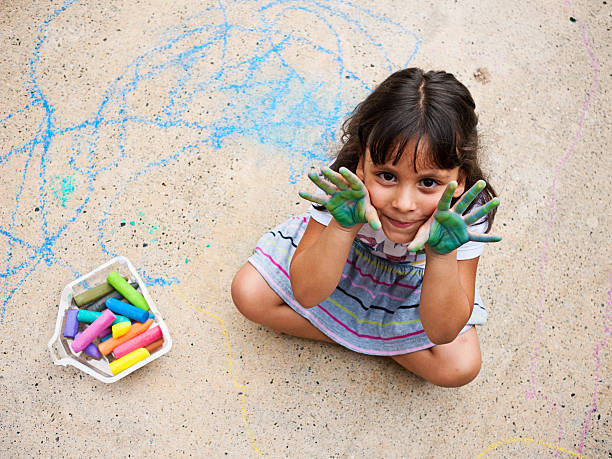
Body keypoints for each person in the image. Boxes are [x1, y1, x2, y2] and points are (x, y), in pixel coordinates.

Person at [231, 68, 501, 388]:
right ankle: (378, 341)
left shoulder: (466, 215)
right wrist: (343, 228)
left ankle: (355, 334)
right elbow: (306, 292)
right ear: (362, 163)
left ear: (461, 182)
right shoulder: (345, 190)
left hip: (416, 286)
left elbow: (443, 331)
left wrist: (442, 256)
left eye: (428, 183)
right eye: (387, 176)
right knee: (248, 294)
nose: (403, 202)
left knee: (460, 367)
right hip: (342, 264)